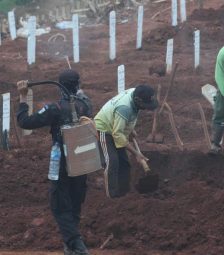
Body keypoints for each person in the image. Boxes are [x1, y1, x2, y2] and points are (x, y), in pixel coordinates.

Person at [16, 70, 92, 255]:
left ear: (60, 86)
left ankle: (76, 244)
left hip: (62, 161)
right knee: (75, 201)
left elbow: (24, 122)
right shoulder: (86, 104)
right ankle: (70, 246)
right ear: (77, 84)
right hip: (82, 158)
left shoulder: (55, 108)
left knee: (58, 202)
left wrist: (23, 97)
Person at [94, 85, 158, 198]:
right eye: (146, 105)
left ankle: (124, 194)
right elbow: (117, 134)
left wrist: (129, 129)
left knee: (125, 163)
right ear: (138, 100)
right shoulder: (125, 108)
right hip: (104, 129)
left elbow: (125, 119)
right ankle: (112, 196)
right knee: (112, 162)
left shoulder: (135, 93)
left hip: (116, 126)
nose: (147, 108)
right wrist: (136, 154)